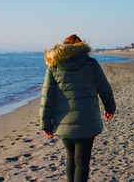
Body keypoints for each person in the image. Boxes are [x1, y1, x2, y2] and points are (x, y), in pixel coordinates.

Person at [39, 34, 116, 182]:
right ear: (81, 47)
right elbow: (105, 89)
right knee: (82, 161)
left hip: (64, 122)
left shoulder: (54, 66)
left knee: (71, 157)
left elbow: (47, 97)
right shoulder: (91, 63)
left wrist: (45, 124)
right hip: (88, 121)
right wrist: (110, 108)